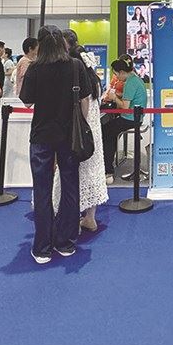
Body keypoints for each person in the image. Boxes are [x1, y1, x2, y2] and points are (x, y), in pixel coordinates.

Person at [19, 26, 86, 264]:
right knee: (70, 187)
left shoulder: (35, 69)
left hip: (41, 136)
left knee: (42, 190)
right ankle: (65, 242)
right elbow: (85, 100)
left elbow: (27, 101)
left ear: (41, 44)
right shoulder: (75, 66)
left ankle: (42, 247)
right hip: (70, 136)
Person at [55, 30, 108, 232]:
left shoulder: (72, 71)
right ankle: (90, 218)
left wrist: (77, 126)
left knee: (70, 173)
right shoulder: (92, 75)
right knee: (92, 171)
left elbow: (80, 102)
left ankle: (71, 219)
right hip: (92, 132)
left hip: (76, 130)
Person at [101, 58, 147, 183]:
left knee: (106, 131)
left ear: (122, 72)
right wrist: (118, 95)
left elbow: (125, 107)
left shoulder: (130, 83)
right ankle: (108, 166)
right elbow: (130, 96)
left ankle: (108, 170)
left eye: (116, 74)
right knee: (110, 130)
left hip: (131, 119)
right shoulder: (135, 79)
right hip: (136, 118)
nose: (116, 77)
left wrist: (114, 98)